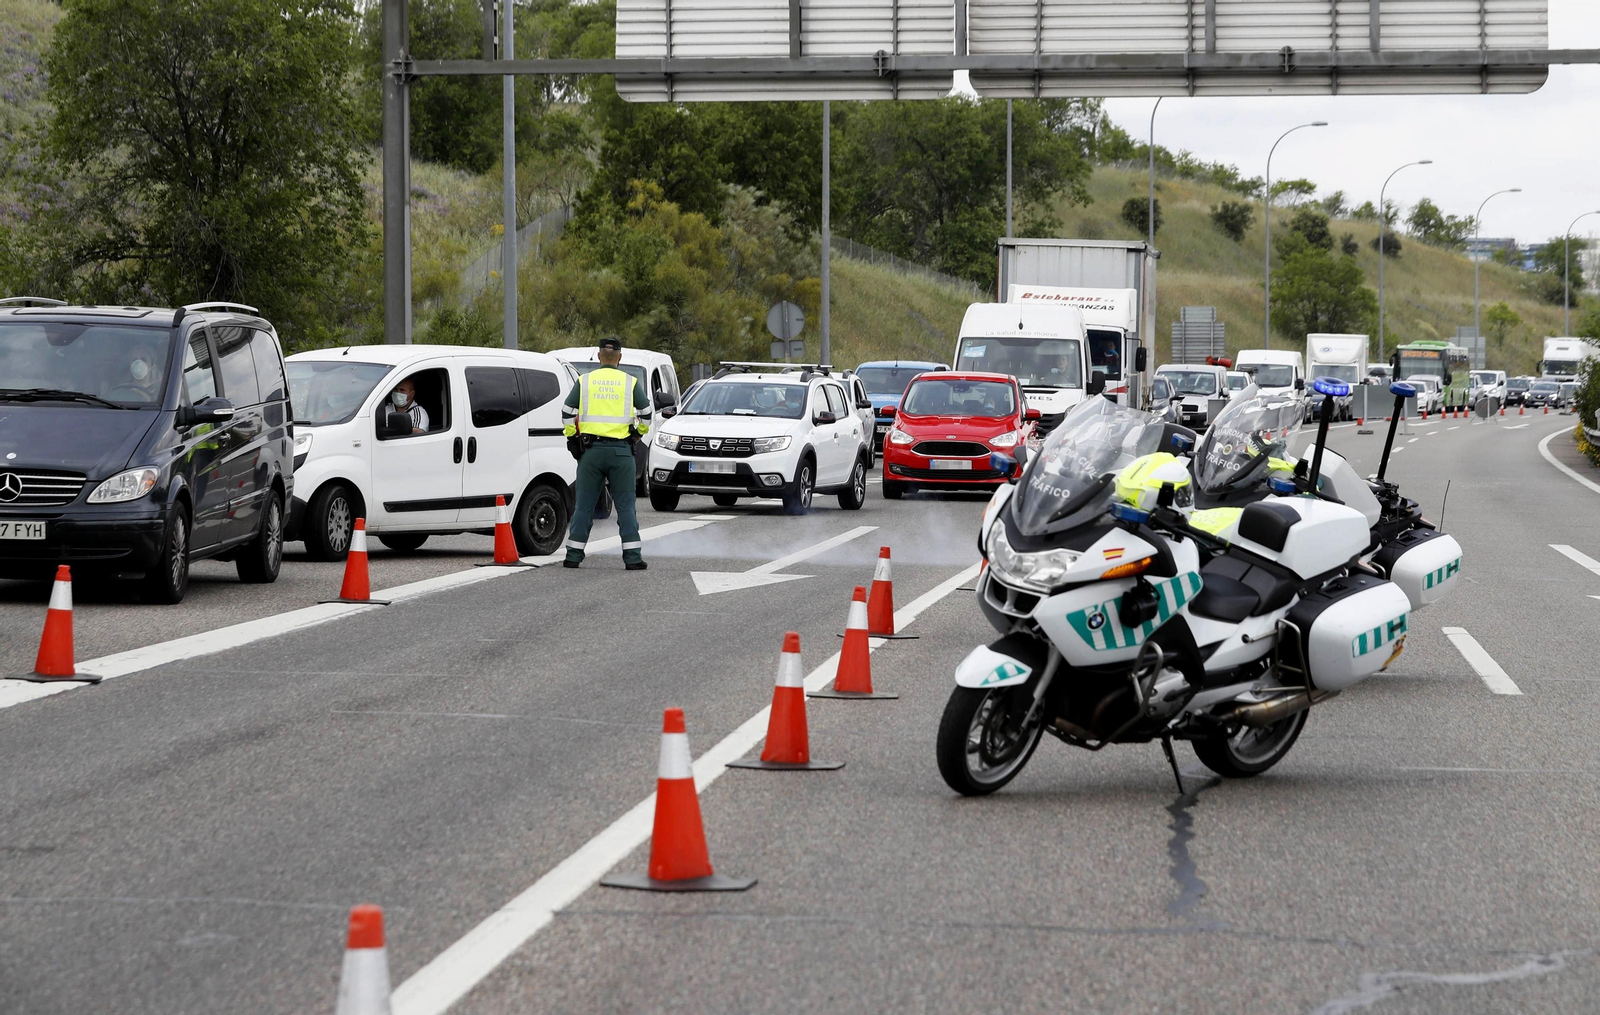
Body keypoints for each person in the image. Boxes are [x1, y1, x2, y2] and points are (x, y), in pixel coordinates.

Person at [561, 337, 653, 570]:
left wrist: (572, 438)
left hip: (590, 453)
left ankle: (573, 556)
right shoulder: (630, 382)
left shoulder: (585, 381)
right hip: (621, 453)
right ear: (620, 358)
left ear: (599, 357)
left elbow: (566, 411)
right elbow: (646, 413)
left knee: (583, 506)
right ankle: (632, 558)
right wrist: (637, 434)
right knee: (625, 506)